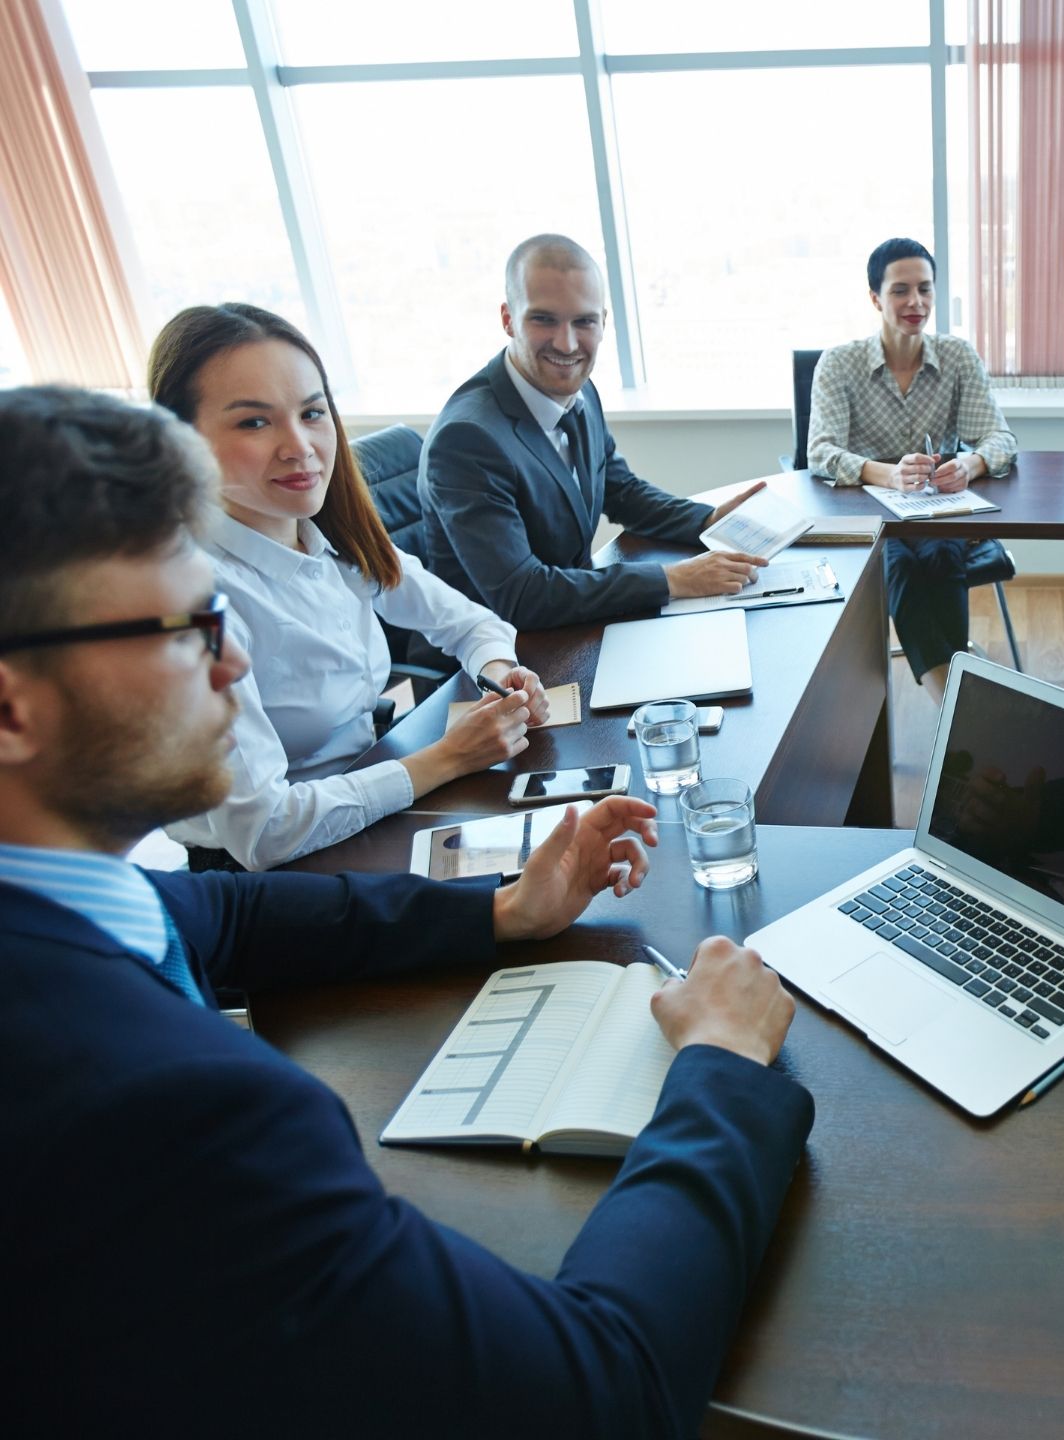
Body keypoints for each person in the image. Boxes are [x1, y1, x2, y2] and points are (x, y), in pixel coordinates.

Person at [0, 385, 813, 1435]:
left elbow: (216, 915)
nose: (234, 660)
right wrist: (722, 1066)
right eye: (189, 627)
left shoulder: (53, 898)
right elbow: (603, 1395)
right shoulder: (180, 1118)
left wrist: (503, 912)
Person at [145, 304, 541, 871]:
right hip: (274, 873)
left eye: (311, 412)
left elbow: (471, 622)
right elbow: (265, 832)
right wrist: (448, 758)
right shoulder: (194, 602)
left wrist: (502, 678)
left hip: (373, 801)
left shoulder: (329, 535)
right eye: (254, 422)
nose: (299, 446)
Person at [418, 233, 768, 629]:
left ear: (603, 322)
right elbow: (522, 595)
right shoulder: (467, 439)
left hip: (574, 621)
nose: (567, 344)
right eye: (543, 319)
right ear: (507, 320)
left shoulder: (579, 389)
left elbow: (621, 491)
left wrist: (708, 521)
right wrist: (674, 579)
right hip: (502, 659)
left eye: (583, 321)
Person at [808, 238, 1018, 701]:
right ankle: (957, 707)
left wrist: (969, 462)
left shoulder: (957, 357)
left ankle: (956, 710)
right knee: (898, 562)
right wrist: (884, 473)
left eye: (925, 289)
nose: (915, 302)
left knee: (941, 554)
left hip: (938, 510)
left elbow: (1001, 439)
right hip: (869, 515)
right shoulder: (839, 365)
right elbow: (819, 452)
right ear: (875, 297)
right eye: (900, 290)